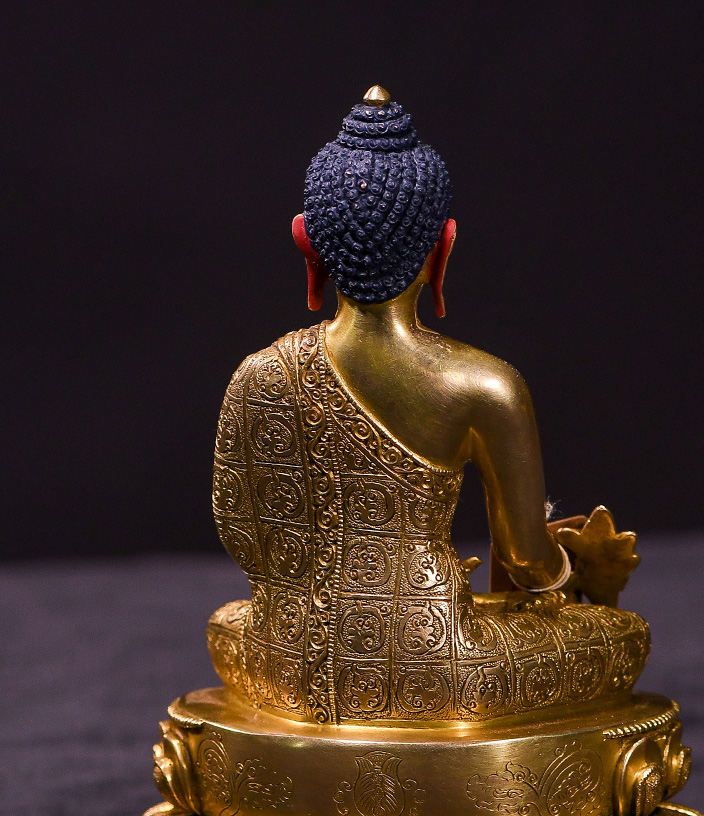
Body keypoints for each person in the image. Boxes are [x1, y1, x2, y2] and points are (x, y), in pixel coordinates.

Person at [207, 88, 649, 725]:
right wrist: (578, 570)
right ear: (443, 247)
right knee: (625, 636)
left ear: (308, 245)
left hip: (282, 660)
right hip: (437, 668)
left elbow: (241, 532)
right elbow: (526, 563)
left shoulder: (258, 374)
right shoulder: (485, 385)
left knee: (226, 621)